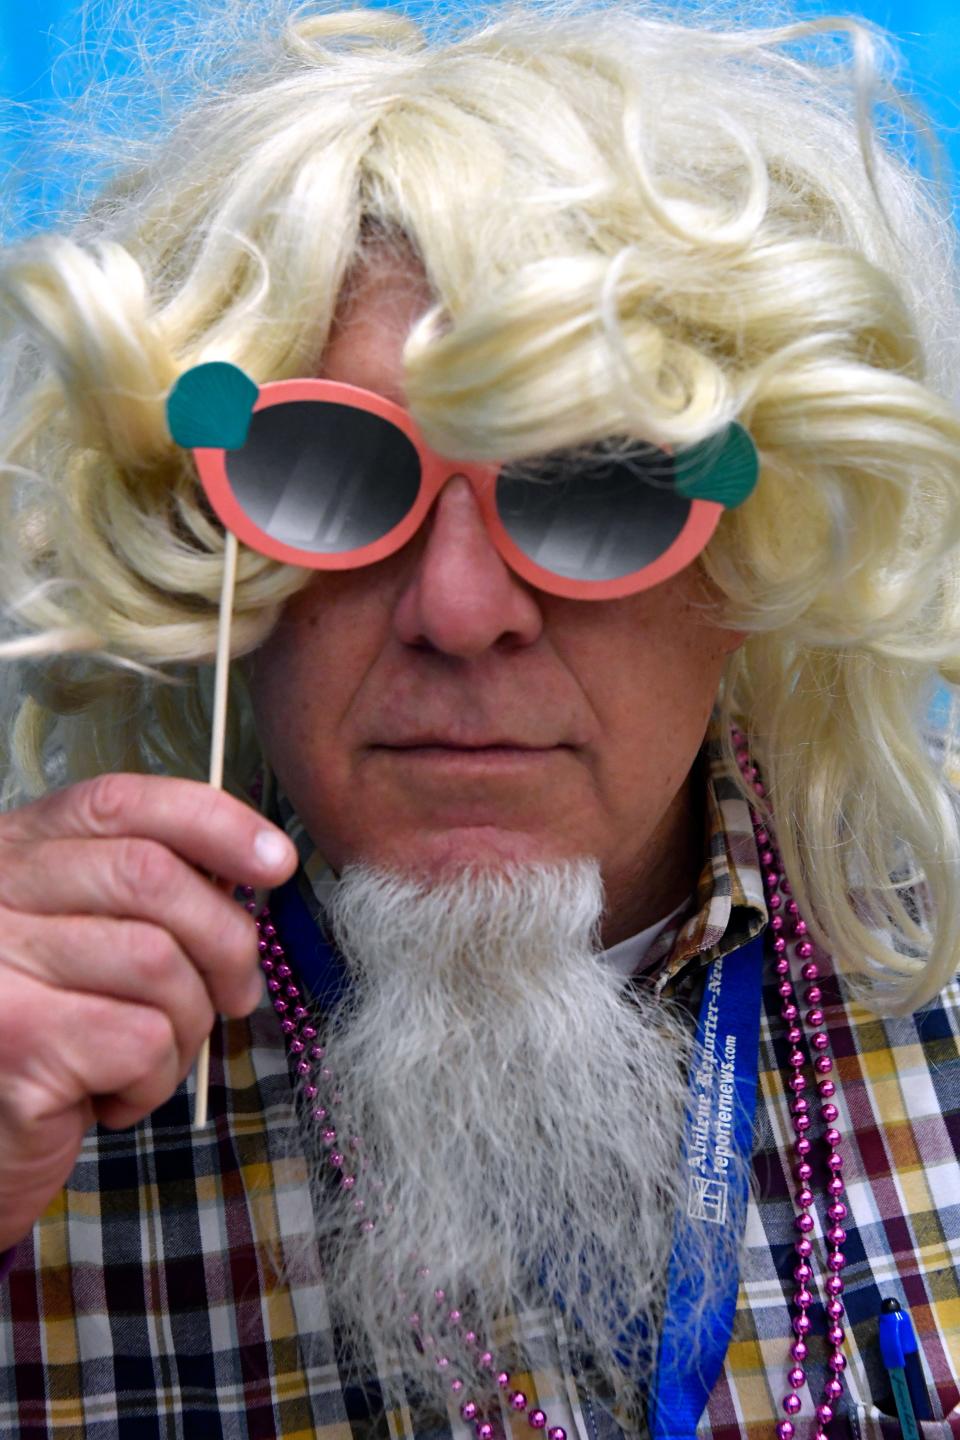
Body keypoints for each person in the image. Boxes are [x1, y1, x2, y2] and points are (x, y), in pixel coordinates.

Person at [0, 2, 958, 1436]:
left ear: (763, 549)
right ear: (209, 538)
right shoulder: (44, 1075)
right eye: (328, 471)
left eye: (602, 483)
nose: (462, 609)